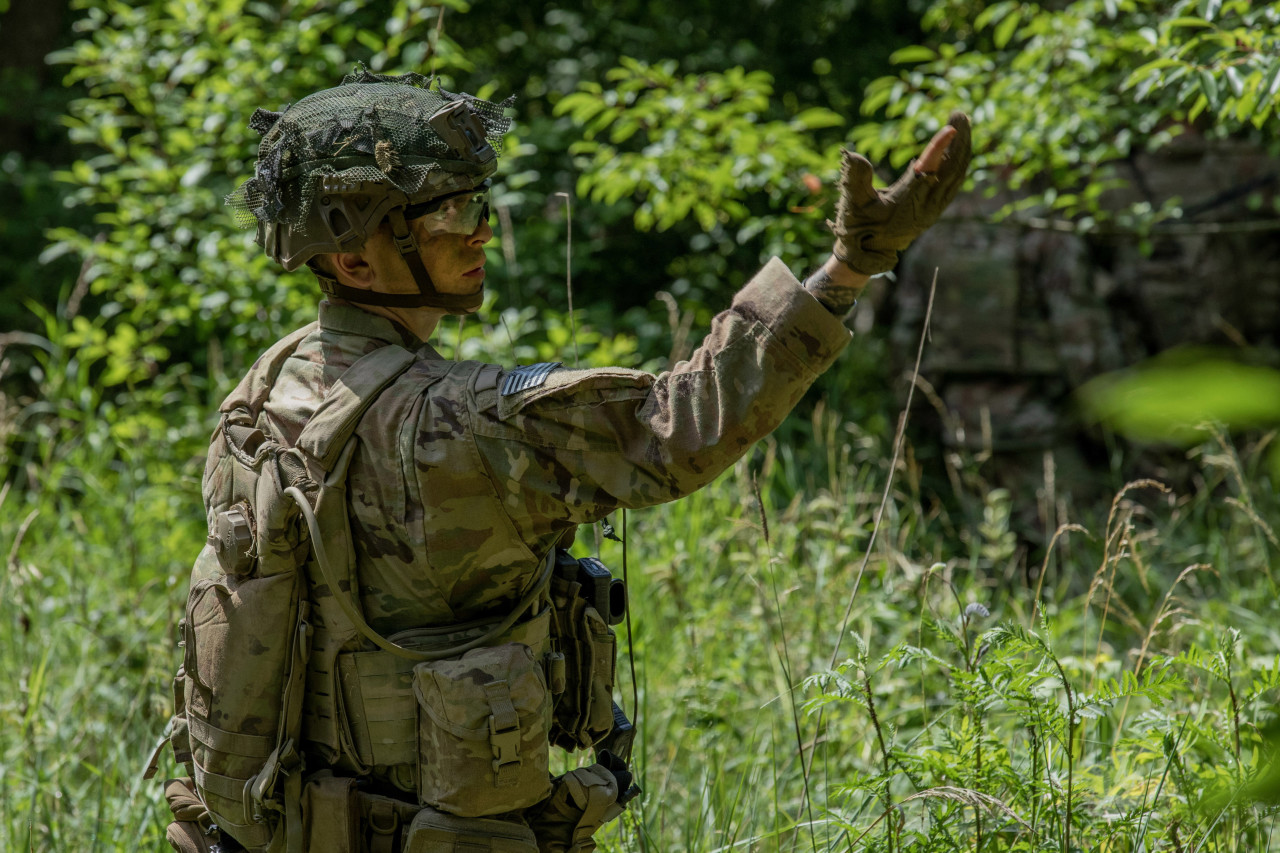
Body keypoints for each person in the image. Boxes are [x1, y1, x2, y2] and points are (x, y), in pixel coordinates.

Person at [156, 66, 970, 853]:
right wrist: (848, 267)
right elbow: (680, 425)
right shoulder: (465, 424)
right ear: (355, 259)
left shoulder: (262, 389)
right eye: (443, 216)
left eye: (475, 203)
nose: (477, 230)